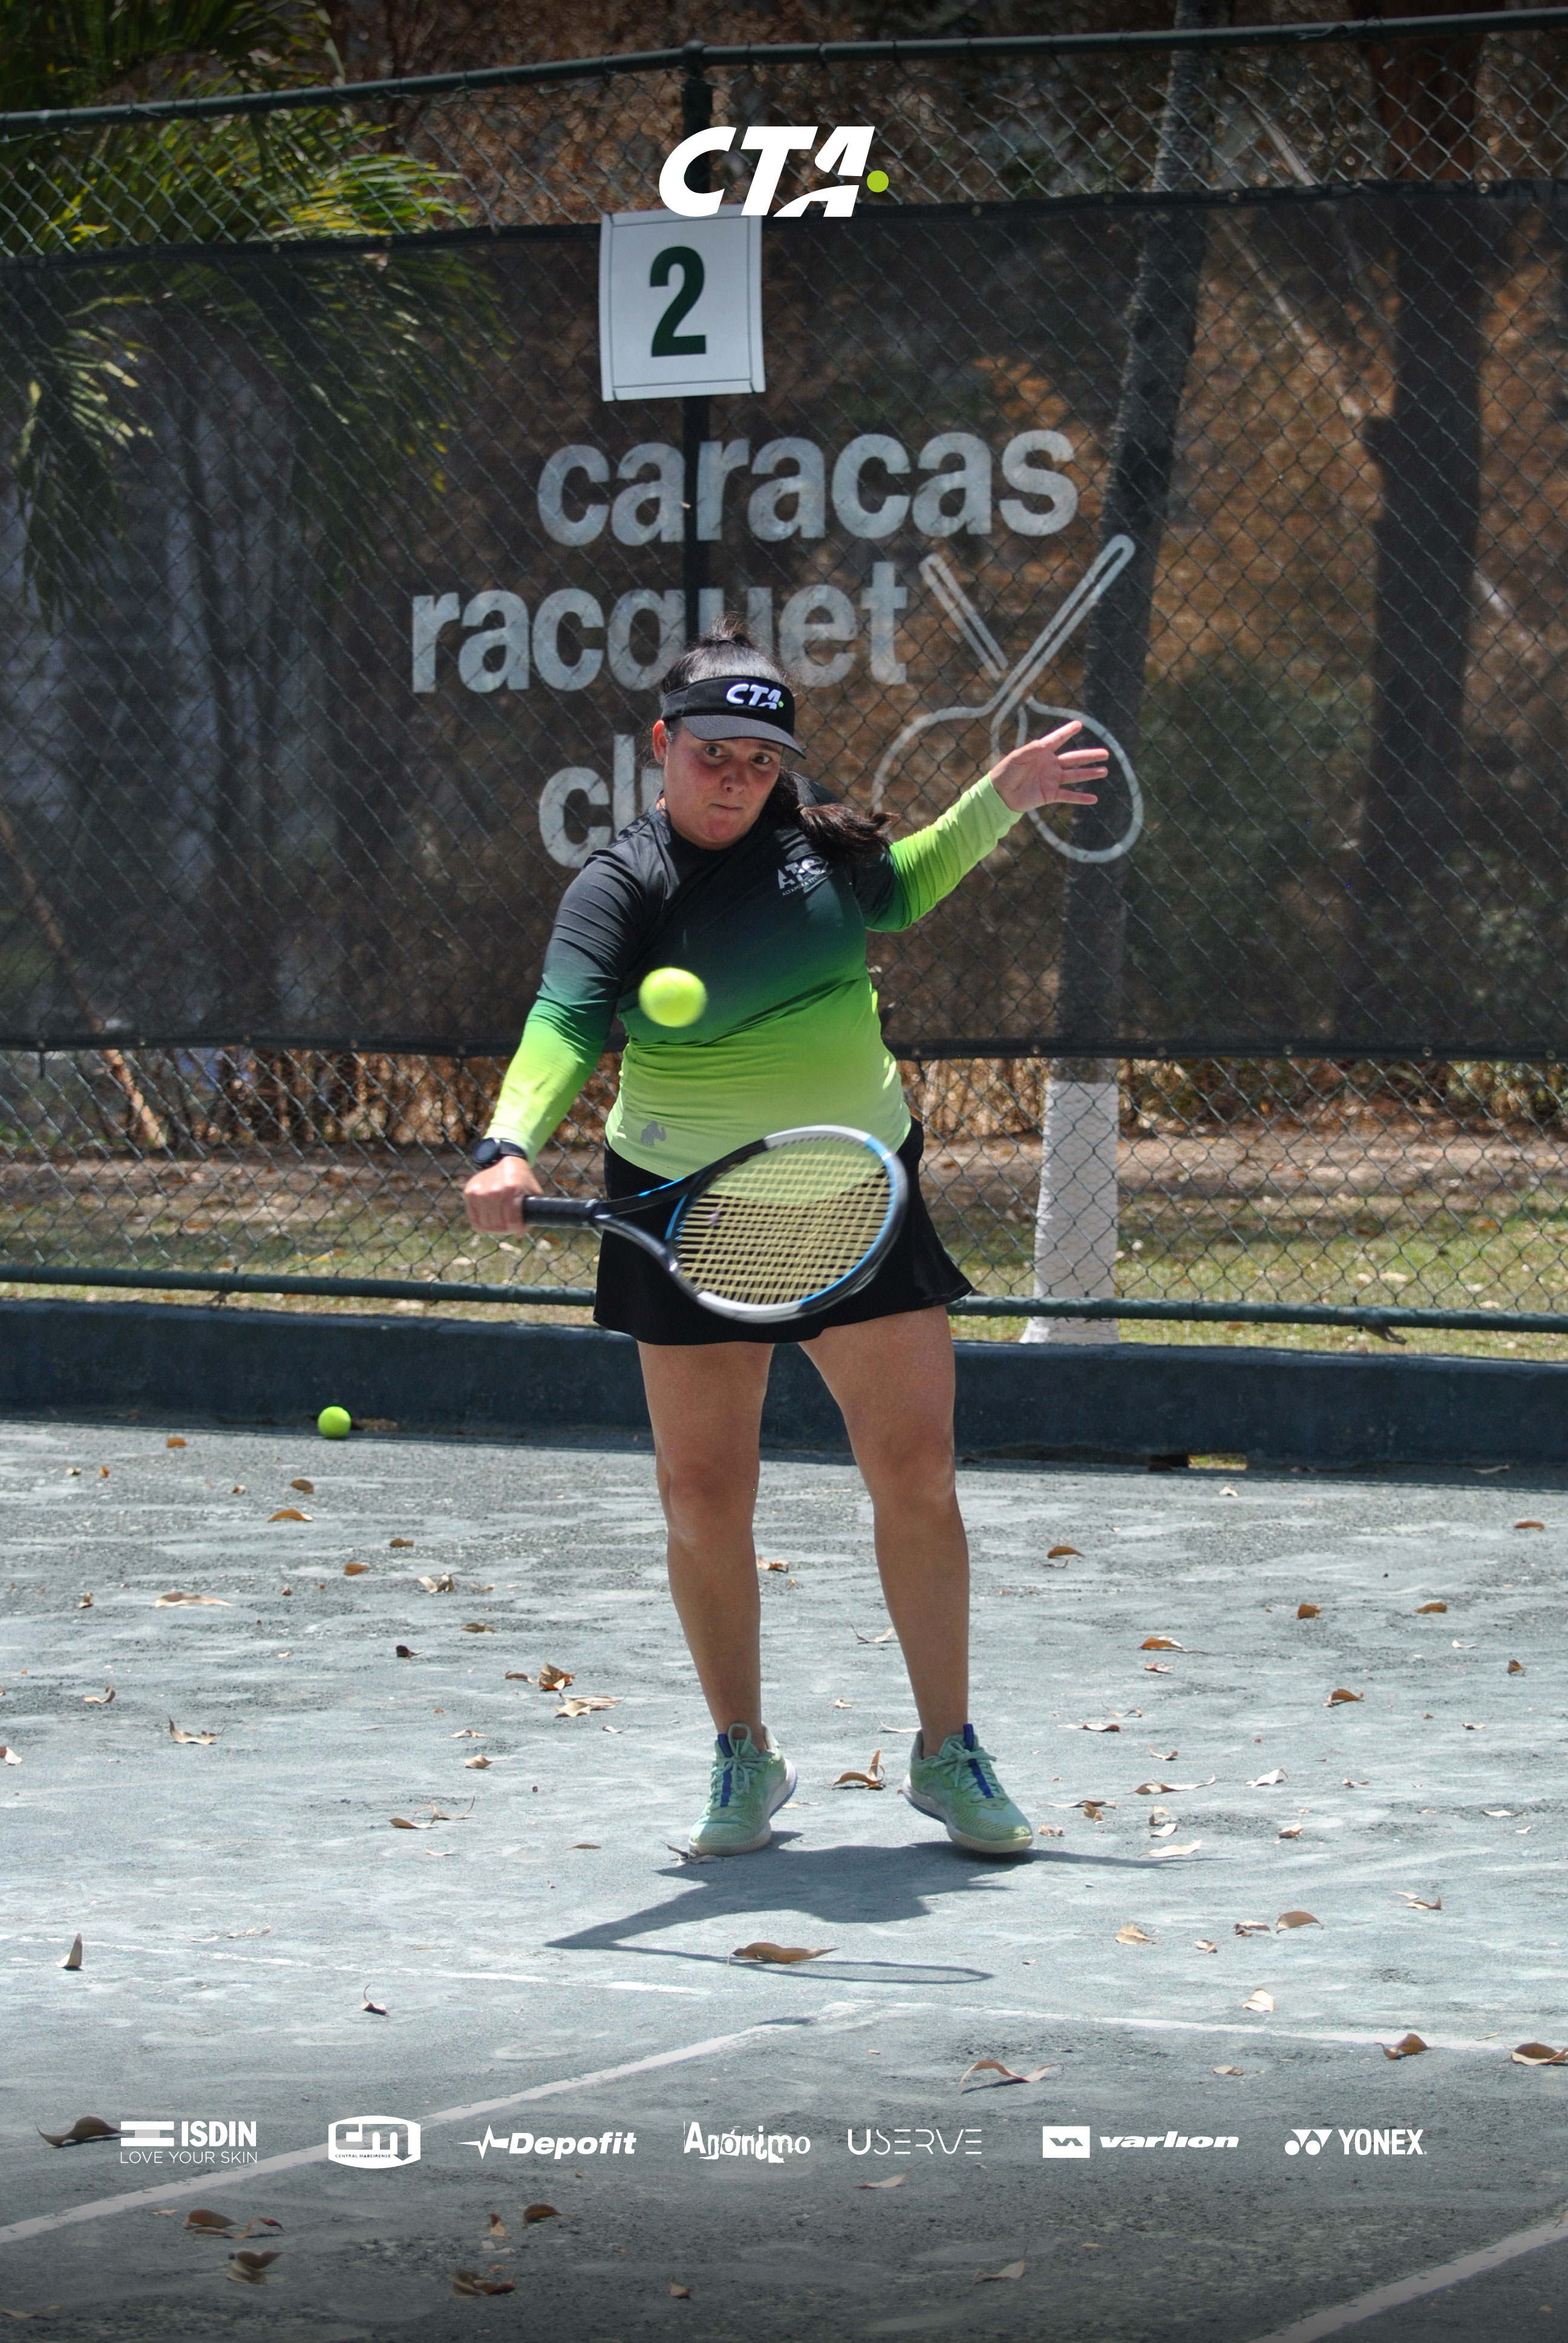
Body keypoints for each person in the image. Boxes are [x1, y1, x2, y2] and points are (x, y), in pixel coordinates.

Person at [464, 617, 1106, 1859]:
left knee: (916, 1473)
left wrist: (999, 796)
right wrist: (508, 1138)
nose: (737, 779)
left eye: (761, 760)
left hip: (858, 1206)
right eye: (715, 753)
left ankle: (948, 1750)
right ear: (663, 744)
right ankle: (743, 1756)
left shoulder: (818, 854)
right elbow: (561, 1023)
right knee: (705, 1496)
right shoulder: (622, 885)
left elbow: (909, 883)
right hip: (688, 1220)